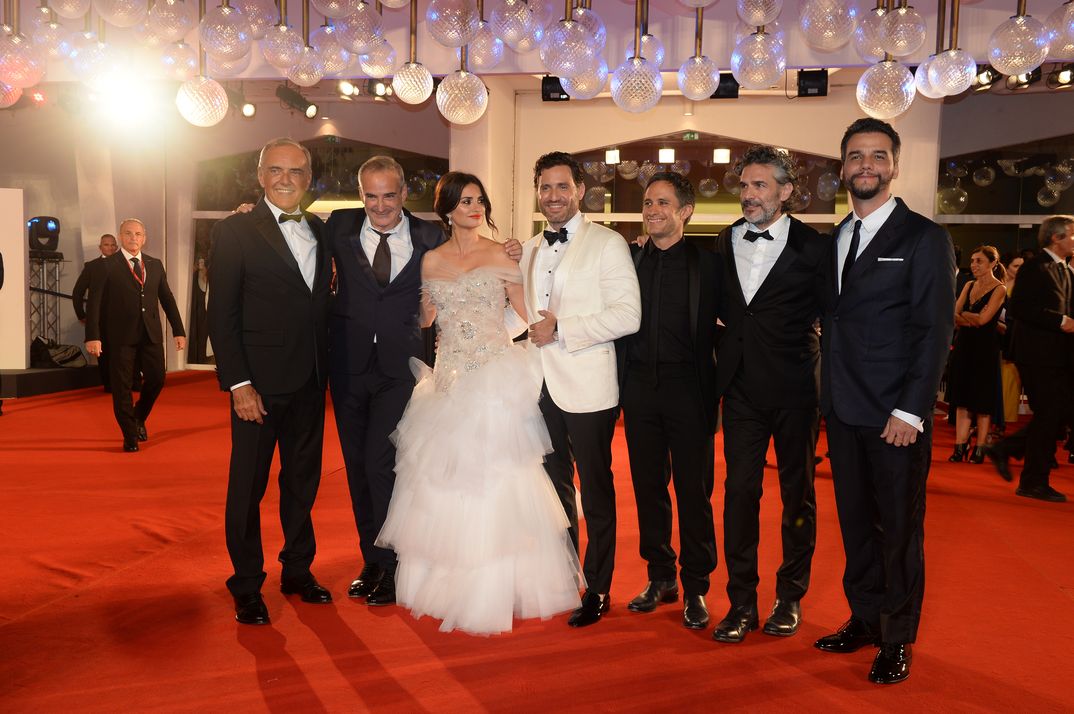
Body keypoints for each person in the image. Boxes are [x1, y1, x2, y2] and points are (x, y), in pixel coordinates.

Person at [376, 172, 583, 635]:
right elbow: (426, 318)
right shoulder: (429, 261)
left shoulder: (502, 253)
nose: (474, 207)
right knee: (442, 482)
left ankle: (499, 585)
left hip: (493, 379)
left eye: (479, 200)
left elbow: (525, 309)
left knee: (496, 478)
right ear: (447, 208)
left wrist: (564, 332)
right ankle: (445, 584)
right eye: (464, 200)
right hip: (446, 381)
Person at [816, 118, 955, 685]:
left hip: (894, 416)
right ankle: (865, 618)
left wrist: (911, 410)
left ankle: (897, 637)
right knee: (854, 525)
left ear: (895, 165)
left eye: (877, 156)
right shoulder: (837, 238)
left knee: (898, 531)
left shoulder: (924, 238)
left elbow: (934, 330)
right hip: (843, 411)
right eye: (855, 156)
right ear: (843, 167)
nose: (865, 165)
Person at [208, 137, 334, 626]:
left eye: (296, 171)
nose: (286, 179)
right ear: (260, 176)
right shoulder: (236, 231)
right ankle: (245, 584)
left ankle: (298, 571)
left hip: (309, 381)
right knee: (247, 489)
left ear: (309, 179)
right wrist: (238, 384)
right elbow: (222, 314)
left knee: (302, 484)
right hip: (256, 388)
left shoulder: (322, 231)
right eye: (276, 170)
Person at [519, 151, 641, 627]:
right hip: (536, 386)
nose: (553, 196)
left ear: (580, 191)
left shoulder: (608, 244)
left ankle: (599, 586)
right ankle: (564, 572)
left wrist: (563, 329)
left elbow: (628, 316)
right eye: (545, 187)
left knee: (596, 489)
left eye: (562, 187)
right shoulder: (527, 249)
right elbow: (519, 317)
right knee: (552, 486)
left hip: (588, 386)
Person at [710, 146, 826, 644]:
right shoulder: (722, 240)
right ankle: (740, 602)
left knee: (798, 495)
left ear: (786, 191)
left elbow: (834, 317)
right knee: (740, 494)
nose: (749, 195)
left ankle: (790, 595)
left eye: (760, 186)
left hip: (796, 389)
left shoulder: (815, 247)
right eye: (745, 186)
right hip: (740, 392)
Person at [324, 156, 449, 607]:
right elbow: (293, 236)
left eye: (389, 196)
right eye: (371, 196)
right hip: (348, 364)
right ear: (361, 194)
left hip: (401, 368)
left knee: (382, 462)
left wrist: (507, 251)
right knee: (357, 465)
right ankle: (370, 561)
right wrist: (246, 211)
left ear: (403, 193)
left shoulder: (430, 235)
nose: (380, 206)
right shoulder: (337, 226)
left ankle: (395, 565)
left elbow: (465, 266)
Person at [620, 172, 719, 631]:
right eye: (647, 202)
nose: (653, 210)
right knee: (647, 488)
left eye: (663, 202)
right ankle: (660, 577)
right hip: (639, 389)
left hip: (689, 390)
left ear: (685, 211)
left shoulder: (709, 264)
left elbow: (732, 327)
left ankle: (696, 585)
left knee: (693, 493)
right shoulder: (630, 261)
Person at [984, 215, 1074, 502]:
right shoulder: (1035, 267)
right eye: (1072, 234)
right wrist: (1061, 321)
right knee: (1050, 414)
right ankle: (1033, 481)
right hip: (1036, 354)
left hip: (1059, 355)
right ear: (1056, 238)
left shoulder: (1066, 270)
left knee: (1058, 414)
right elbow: (1021, 308)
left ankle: (1006, 449)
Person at [85, 219, 186, 452]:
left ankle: (138, 416)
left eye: (138, 234)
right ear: (121, 236)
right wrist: (93, 335)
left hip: (150, 334)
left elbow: (167, 299)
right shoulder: (106, 266)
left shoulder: (155, 264)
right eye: (129, 233)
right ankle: (130, 435)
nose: (133, 238)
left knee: (157, 379)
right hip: (119, 337)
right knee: (121, 388)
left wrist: (178, 331)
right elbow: (94, 304)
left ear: (144, 237)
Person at [946, 246, 1006, 463]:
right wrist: (970, 317)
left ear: (993, 264)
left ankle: (980, 448)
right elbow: (953, 316)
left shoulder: (1000, 289)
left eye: (979, 261)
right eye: (972, 260)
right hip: (964, 346)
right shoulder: (969, 285)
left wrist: (966, 316)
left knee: (983, 401)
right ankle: (960, 447)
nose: (973, 265)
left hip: (986, 350)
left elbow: (983, 320)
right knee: (961, 399)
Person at [73, 234, 119, 391]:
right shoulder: (91, 266)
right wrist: (81, 315)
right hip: (100, 318)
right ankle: (109, 385)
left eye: (113, 245)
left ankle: (130, 382)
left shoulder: (125, 264)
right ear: (100, 247)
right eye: (106, 245)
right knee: (104, 353)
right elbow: (78, 292)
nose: (110, 247)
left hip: (122, 317)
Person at [998, 254, 1024, 425]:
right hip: (994, 338)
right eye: (1015, 266)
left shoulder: (1024, 288)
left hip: (1014, 338)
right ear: (1006, 267)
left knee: (1010, 381)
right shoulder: (999, 285)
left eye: (1022, 266)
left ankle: (1005, 420)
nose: (1019, 269)